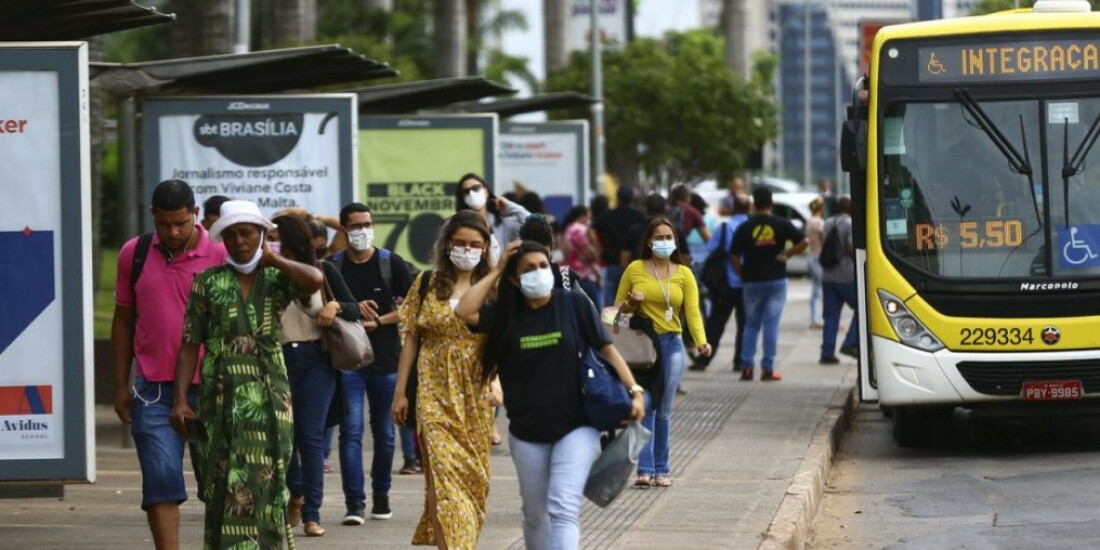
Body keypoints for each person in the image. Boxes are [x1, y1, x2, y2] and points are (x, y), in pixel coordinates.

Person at [455, 240, 645, 550]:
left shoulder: (574, 304)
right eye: (528, 269)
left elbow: (606, 349)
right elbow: (464, 310)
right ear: (515, 280)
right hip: (527, 431)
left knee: (563, 507)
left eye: (544, 266)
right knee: (535, 514)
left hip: (577, 425)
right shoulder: (506, 315)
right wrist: (498, 269)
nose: (538, 273)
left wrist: (634, 390)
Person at [169, 200, 324, 549]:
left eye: (248, 233)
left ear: (262, 235)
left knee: (267, 476)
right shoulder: (207, 282)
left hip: (269, 392)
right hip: (219, 393)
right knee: (222, 478)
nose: (240, 241)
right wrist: (180, 399)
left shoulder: (276, 278)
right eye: (232, 234)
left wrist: (275, 258)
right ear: (222, 239)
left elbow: (315, 280)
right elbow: (190, 344)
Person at [112, 180, 226, 550]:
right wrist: (119, 385)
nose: (174, 232)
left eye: (181, 222)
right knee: (161, 481)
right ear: (153, 217)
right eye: (165, 224)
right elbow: (124, 320)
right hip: (153, 389)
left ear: (196, 214)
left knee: (221, 483)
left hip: (213, 387)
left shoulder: (222, 255)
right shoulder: (135, 253)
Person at [391, 211, 501, 549]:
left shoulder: (494, 290)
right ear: (447, 244)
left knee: (473, 481)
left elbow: (504, 340)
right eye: (460, 243)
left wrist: (498, 382)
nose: (466, 250)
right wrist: (400, 393)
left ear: (485, 248)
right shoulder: (426, 282)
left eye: (474, 245)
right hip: (433, 391)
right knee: (443, 479)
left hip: (476, 396)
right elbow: (411, 337)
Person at [269, 214, 356, 537]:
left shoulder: (322, 270)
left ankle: (312, 514)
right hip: (278, 359)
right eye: (270, 238)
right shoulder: (265, 273)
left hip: (315, 359)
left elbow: (353, 307)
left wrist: (335, 308)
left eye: (278, 238)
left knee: (311, 436)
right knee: (285, 436)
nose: (273, 244)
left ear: (293, 241)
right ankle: (297, 493)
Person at [329, 202, 415, 525]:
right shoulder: (332, 265)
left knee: (385, 433)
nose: (363, 231)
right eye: (355, 226)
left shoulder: (390, 262)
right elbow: (323, 306)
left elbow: (412, 307)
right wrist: (349, 309)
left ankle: (381, 494)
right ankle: (355, 503)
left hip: (386, 361)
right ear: (344, 230)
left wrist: (382, 320)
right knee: (350, 432)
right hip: (348, 361)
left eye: (367, 224)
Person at [616, 217, 710, 487]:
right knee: (645, 405)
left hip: (671, 344)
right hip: (642, 347)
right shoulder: (635, 269)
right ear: (649, 241)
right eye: (659, 238)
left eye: (670, 238)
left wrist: (702, 342)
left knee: (663, 408)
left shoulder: (684, 273)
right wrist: (632, 305)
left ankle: (662, 469)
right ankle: (644, 469)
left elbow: (692, 311)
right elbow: (615, 311)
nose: (665, 242)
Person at [730, 187, 809, 382]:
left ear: (754, 205)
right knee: (771, 325)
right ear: (771, 204)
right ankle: (767, 369)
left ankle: (747, 367)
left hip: (751, 282)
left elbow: (733, 255)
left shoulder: (745, 227)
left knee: (750, 324)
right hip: (776, 281)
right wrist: (786, 254)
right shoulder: (782, 224)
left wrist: (742, 274)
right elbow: (804, 241)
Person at [691, 192, 751, 372]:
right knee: (745, 324)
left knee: (716, 323)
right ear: (749, 209)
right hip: (747, 284)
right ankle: (740, 361)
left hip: (725, 284)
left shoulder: (725, 228)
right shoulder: (751, 227)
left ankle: (703, 359)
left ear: (733, 208)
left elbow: (711, 248)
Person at [455, 172, 531, 266]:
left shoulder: (503, 224)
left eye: (476, 188)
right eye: (466, 191)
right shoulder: (456, 226)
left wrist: (510, 207)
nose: (471, 193)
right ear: (462, 198)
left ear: (486, 191)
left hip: (501, 277)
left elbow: (535, 225)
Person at [819, 195, 860, 364]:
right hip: (845, 276)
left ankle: (827, 353)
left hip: (828, 275)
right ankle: (850, 342)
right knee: (864, 307)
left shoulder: (828, 222)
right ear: (850, 208)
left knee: (830, 315)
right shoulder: (849, 223)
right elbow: (851, 247)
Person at [592, 186, 645, 307]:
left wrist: (598, 248)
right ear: (632, 199)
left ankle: (610, 325)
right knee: (631, 301)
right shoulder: (638, 216)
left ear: (617, 198)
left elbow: (592, 229)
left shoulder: (608, 215)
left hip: (612, 263)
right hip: (633, 265)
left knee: (610, 302)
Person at [519, 214, 582, 290]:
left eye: (543, 254)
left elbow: (584, 301)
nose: (539, 259)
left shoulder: (565, 278)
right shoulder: (516, 277)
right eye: (533, 252)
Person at [561, 205, 603, 307]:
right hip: (584, 276)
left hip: (571, 274)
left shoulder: (568, 229)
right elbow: (591, 255)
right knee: (593, 313)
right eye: (588, 217)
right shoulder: (579, 230)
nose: (589, 220)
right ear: (582, 216)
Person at [666, 184, 711, 264]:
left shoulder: (665, 209)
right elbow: (707, 238)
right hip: (680, 253)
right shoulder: (692, 212)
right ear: (688, 198)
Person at [806, 197, 826, 329]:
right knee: (822, 290)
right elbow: (825, 238)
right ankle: (822, 319)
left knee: (815, 289)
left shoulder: (809, 221)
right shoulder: (819, 222)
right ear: (821, 209)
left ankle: (814, 318)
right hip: (819, 256)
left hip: (811, 255)